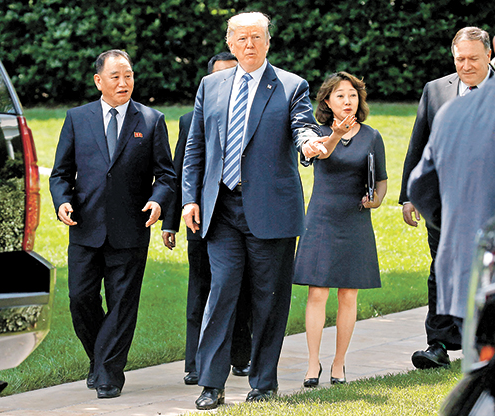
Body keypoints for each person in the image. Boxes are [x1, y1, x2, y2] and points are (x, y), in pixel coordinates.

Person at [181, 11, 327, 410]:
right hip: (221, 209)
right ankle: (211, 384)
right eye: (242, 38)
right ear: (230, 43)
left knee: (269, 300)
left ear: (268, 42)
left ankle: (263, 382)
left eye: (257, 37)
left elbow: (302, 126)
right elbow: (196, 146)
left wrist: (309, 143)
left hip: (271, 210)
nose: (249, 44)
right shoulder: (210, 85)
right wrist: (190, 198)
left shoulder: (291, 85)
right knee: (220, 295)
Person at [49, 49, 175, 399]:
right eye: (115, 76)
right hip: (85, 226)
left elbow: (166, 175)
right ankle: (100, 359)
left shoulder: (151, 120)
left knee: (122, 305)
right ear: (98, 81)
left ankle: (108, 374)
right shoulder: (77, 118)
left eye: (128, 75)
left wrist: (158, 200)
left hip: (130, 228)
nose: (123, 83)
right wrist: (62, 201)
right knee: (80, 299)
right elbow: (60, 173)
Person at [399, 26, 493, 370]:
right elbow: (419, 143)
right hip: (444, 204)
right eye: (460, 59)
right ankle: (437, 344)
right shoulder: (436, 90)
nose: (466, 66)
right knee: (441, 269)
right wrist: (409, 197)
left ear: (489, 55)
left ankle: (481, 343)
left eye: (473, 59)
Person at [161, 52, 253, 386]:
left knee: (241, 287)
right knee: (200, 290)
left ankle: (241, 356)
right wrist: (170, 221)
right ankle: (196, 363)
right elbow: (181, 171)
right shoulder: (191, 120)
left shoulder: (251, 115)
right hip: (201, 218)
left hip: (242, 215)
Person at [293, 72, 387, 387]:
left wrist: (376, 200)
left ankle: (338, 363)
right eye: (340, 95)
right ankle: (312, 364)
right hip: (321, 219)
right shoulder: (316, 132)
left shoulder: (372, 136)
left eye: (352, 95)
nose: (348, 101)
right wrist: (335, 134)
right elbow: (319, 154)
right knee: (317, 292)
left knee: (348, 293)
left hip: (355, 220)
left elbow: (381, 179)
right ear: (327, 101)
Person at [408, 76, 495, 333]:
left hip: (469, 260)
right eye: (461, 58)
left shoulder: (452, 113)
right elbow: (417, 148)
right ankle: (440, 340)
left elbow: (421, 185)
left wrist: (453, 224)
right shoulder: (440, 97)